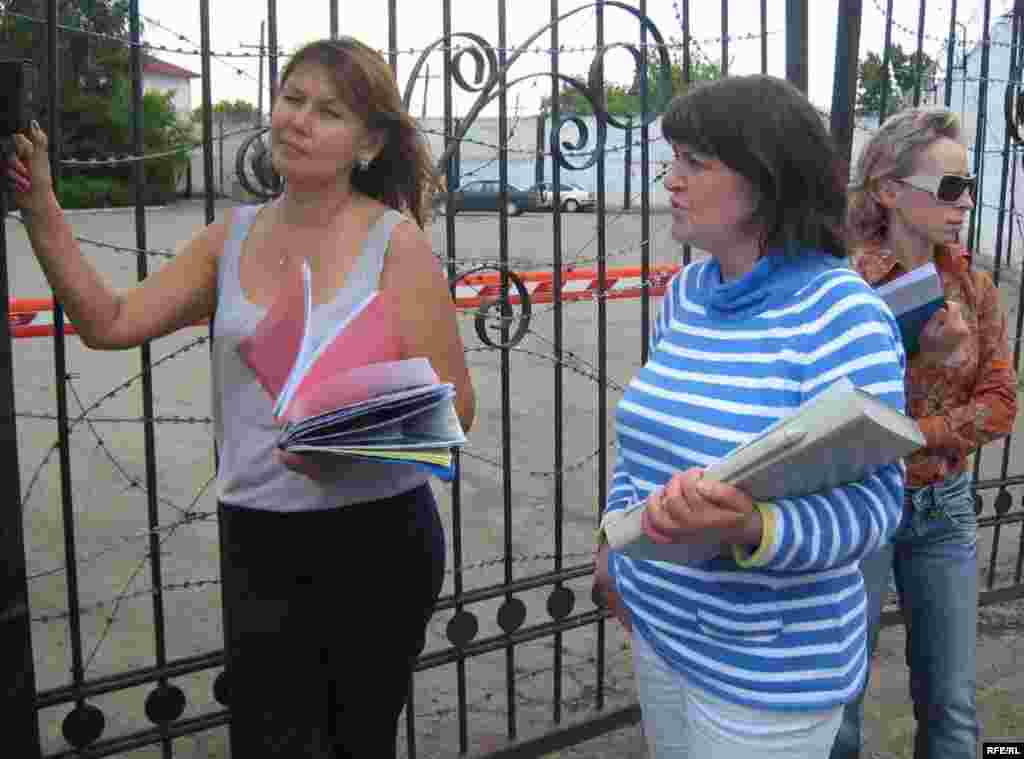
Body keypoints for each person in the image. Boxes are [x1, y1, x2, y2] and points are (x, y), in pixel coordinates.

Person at [7, 37, 475, 758]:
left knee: (357, 741)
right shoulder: (230, 237)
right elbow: (110, 321)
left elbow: (456, 409)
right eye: (291, 98)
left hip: (377, 537)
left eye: (328, 110)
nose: (298, 120)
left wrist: (346, 437)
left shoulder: (396, 242)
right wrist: (39, 203)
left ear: (369, 141)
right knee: (270, 740)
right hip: (259, 535)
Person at [591, 74, 908, 758]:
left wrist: (753, 525)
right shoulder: (688, 293)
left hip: (766, 674)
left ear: (767, 178)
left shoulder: (841, 314)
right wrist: (614, 541)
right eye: (673, 159)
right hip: (662, 630)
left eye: (695, 162)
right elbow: (643, 445)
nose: (670, 180)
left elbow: (876, 506)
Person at [832, 106, 1017, 759]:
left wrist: (920, 430)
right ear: (886, 190)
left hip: (946, 509)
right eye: (948, 188)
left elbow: (1001, 404)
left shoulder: (971, 283)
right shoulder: (842, 286)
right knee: (838, 709)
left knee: (953, 709)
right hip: (862, 509)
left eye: (968, 187)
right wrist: (920, 358)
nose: (964, 202)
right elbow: (833, 414)